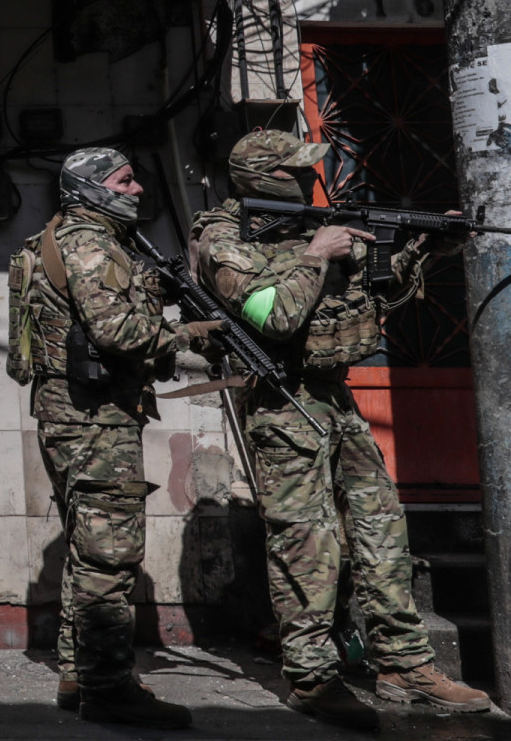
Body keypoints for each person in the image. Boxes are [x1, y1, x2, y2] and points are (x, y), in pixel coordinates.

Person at [189, 131, 490, 728]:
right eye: (297, 171)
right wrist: (316, 253)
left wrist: (426, 245)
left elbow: (375, 295)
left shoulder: (310, 224)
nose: (311, 180)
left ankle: (404, 663)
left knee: (381, 526)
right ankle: (312, 677)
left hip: (335, 396)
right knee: (306, 541)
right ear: (262, 179)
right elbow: (271, 316)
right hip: (281, 401)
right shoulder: (224, 241)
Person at [7, 148, 218, 728]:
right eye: (125, 181)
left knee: (88, 546)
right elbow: (118, 331)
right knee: (110, 557)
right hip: (94, 418)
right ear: (94, 187)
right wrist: (188, 333)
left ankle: (79, 671)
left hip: (74, 413)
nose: (137, 191)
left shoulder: (67, 238)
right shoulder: (90, 244)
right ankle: (108, 687)